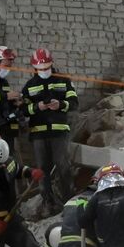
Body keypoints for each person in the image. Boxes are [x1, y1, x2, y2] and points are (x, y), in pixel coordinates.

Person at [22, 48, 77, 206]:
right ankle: (48, 203)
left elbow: (74, 103)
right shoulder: (29, 86)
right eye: (40, 69)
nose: (44, 71)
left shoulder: (63, 81)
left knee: (63, 166)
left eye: (46, 68)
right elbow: (23, 110)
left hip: (59, 133)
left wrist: (60, 104)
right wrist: (37, 107)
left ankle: (69, 200)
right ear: (34, 68)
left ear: (52, 64)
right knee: (42, 170)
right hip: (38, 135)